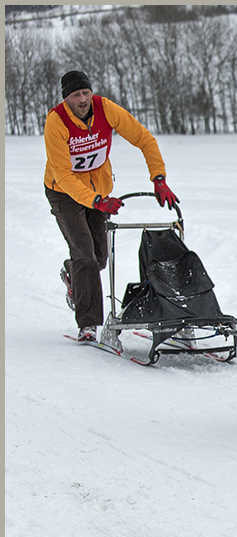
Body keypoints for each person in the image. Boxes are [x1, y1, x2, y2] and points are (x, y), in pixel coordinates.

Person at [45, 70, 178, 342]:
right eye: (75, 95)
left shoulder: (105, 109)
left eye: (85, 93)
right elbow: (63, 175)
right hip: (64, 193)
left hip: (98, 190)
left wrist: (159, 178)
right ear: (66, 99)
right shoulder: (56, 121)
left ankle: (74, 276)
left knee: (99, 259)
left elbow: (144, 139)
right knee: (84, 254)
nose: (82, 99)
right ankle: (89, 323)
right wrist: (96, 201)